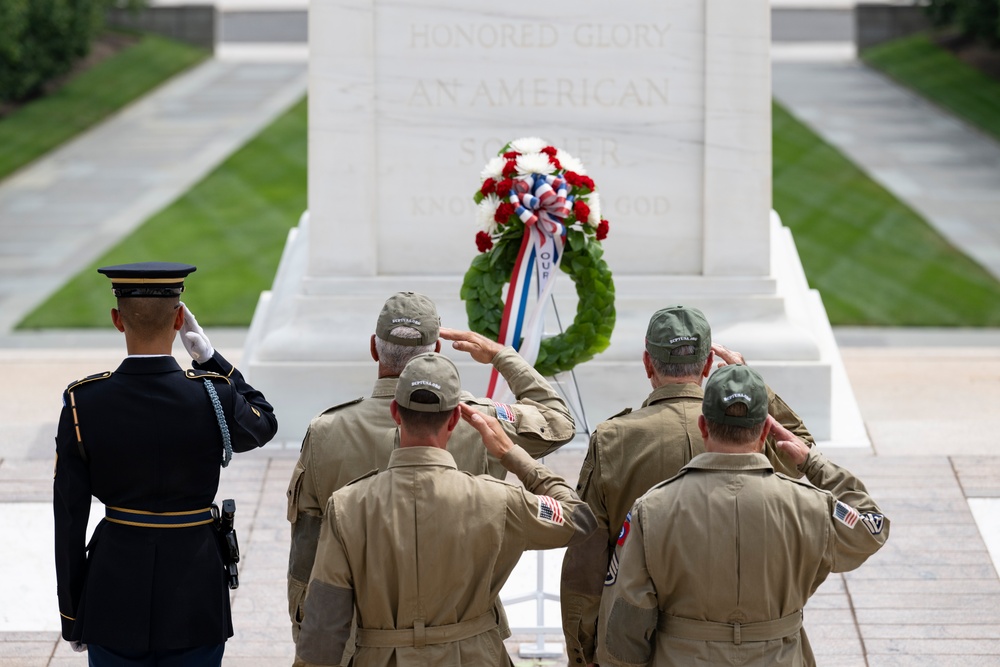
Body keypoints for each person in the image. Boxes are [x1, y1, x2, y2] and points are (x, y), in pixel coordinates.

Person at [286, 291, 576, 649]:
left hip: (364, 639)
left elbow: (307, 546)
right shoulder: (478, 420)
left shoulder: (325, 431)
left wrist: (305, 629)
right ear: (436, 352)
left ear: (375, 349)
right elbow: (558, 422)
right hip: (461, 634)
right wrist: (501, 355)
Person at [560, 305, 816, 666]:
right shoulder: (747, 434)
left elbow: (587, 559)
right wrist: (750, 385)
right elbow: (803, 453)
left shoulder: (613, 439)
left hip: (646, 639)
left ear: (648, 364)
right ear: (709, 365)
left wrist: (581, 651)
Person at [53, 262, 278, 666]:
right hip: (195, 592)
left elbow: (69, 518)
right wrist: (211, 359)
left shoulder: (82, 403)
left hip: (112, 594)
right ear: (179, 320)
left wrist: (73, 614)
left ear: (117, 321)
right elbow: (263, 423)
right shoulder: (215, 395)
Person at [597, 364, 889, 666]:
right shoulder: (810, 506)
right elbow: (871, 528)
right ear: (765, 430)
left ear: (703, 426)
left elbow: (626, 623)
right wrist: (812, 463)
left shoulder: (652, 509)